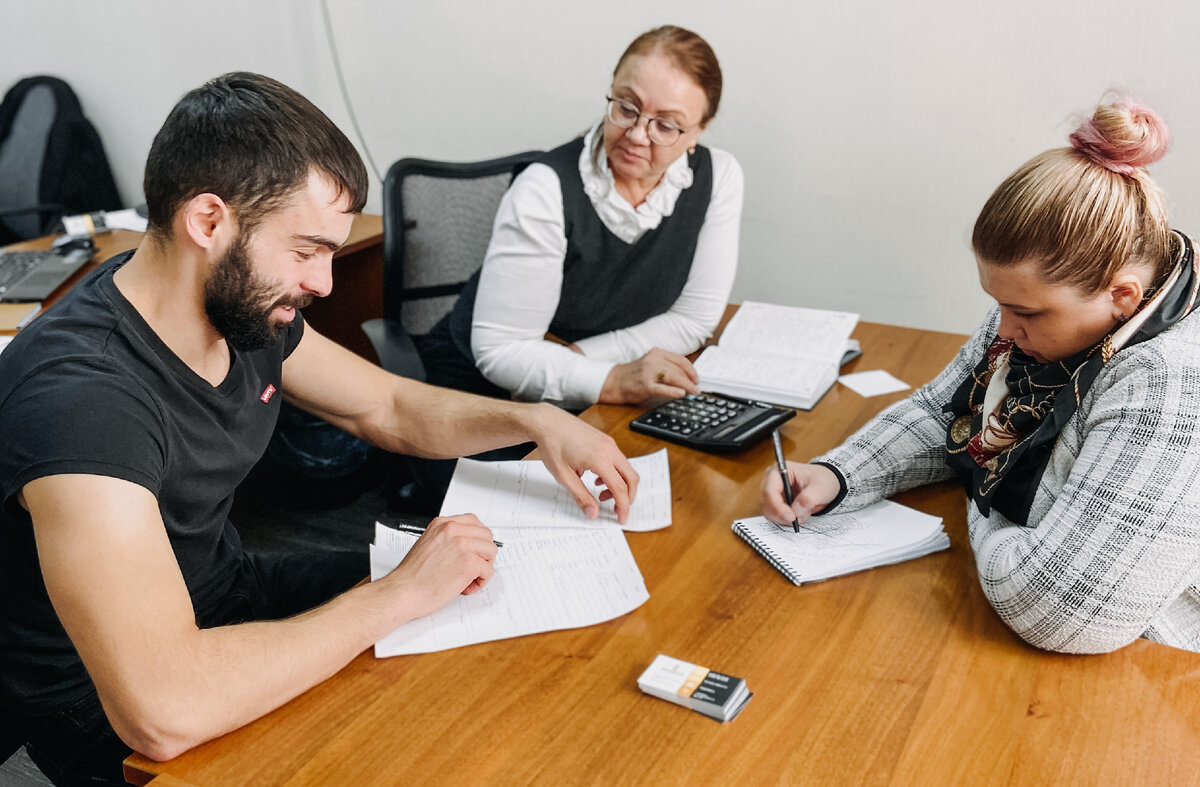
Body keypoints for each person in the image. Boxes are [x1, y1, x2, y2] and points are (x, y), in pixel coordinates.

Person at [0, 72, 638, 786]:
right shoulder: (82, 402)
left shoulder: (232, 304)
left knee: (488, 613)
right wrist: (397, 595)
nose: (324, 284)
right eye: (305, 251)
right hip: (105, 705)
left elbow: (386, 407)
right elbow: (164, 708)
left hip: (225, 596)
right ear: (208, 221)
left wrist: (535, 420)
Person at [762, 97, 1200, 655]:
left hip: (1154, 665)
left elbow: (1058, 609)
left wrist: (978, 487)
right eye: (998, 304)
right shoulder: (1042, 314)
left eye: (1025, 312)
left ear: (1122, 296)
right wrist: (839, 474)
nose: (1005, 329)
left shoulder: (1172, 383)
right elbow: (945, 410)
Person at [410, 24, 742, 503]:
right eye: (626, 107)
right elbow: (502, 351)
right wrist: (612, 377)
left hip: (592, 393)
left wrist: (590, 367)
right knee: (529, 525)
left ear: (699, 132)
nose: (637, 135)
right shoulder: (545, 187)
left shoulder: (719, 178)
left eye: (667, 125)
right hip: (482, 399)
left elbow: (693, 319)